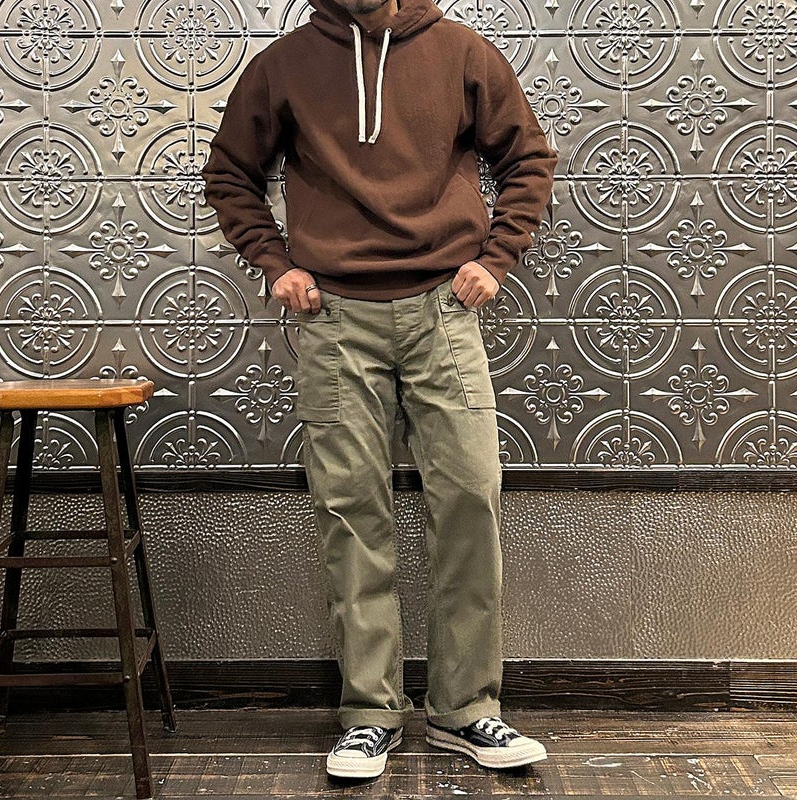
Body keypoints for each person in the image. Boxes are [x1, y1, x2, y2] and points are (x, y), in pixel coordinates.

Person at [202, 0, 557, 780]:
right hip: (333, 316)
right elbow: (229, 173)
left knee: (470, 498)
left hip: (444, 310)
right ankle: (369, 715)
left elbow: (529, 158)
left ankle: (466, 710)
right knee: (350, 511)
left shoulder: (462, 52)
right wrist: (275, 263)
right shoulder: (286, 64)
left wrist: (495, 258)